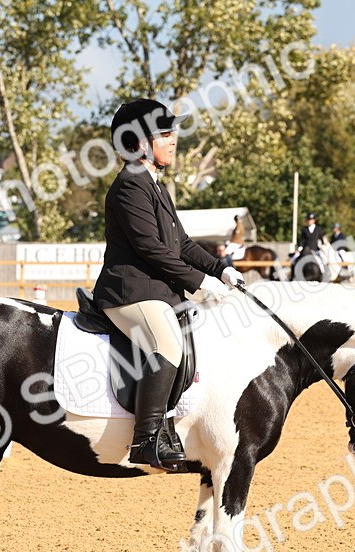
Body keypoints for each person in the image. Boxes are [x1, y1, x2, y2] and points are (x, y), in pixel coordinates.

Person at [93, 98, 244, 470]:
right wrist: (200, 282)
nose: (174, 138)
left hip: (155, 291)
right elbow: (150, 249)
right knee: (167, 343)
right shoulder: (130, 186)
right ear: (139, 142)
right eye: (164, 132)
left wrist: (221, 269)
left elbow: (183, 244)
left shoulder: (154, 185)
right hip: (129, 292)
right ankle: (146, 438)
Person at [292, 212, 326, 280]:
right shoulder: (304, 230)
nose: (309, 221)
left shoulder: (318, 229)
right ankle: (293, 275)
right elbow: (302, 240)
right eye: (308, 219)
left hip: (315, 250)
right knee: (294, 259)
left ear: (314, 220)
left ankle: (323, 274)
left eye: (311, 219)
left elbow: (321, 240)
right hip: (306, 249)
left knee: (322, 260)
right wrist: (300, 247)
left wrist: (321, 245)